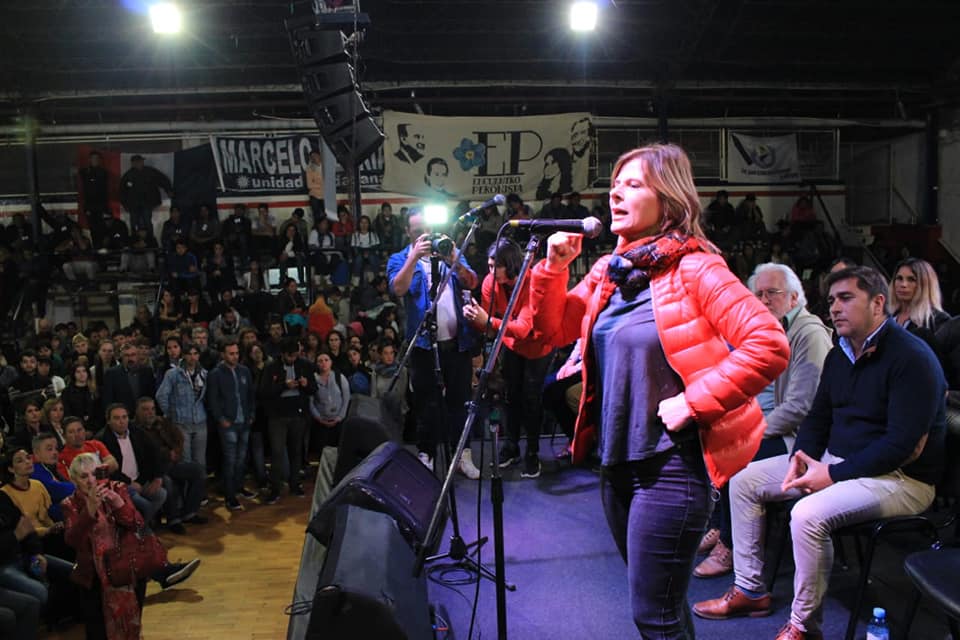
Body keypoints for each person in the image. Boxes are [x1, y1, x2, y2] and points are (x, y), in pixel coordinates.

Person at [528, 143, 789, 638]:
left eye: (633, 184)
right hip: (618, 465)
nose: (615, 192)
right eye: (614, 184)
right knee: (664, 608)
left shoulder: (695, 267)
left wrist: (694, 400)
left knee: (654, 615)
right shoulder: (612, 271)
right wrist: (554, 270)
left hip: (673, 469)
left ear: (667, 199)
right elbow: (549, 332)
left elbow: (769, 345)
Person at [693, 266, 946, 640]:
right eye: (831, 301)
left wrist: (829, 475)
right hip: (840, 462)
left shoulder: (912, 358)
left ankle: (804, 627)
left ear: (878, 303)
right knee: (744, 480)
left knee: (807, 514)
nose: (835, 309)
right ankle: (750, 590)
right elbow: (818, 415)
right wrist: (804, 455)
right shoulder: (840, 353)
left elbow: (901, 447)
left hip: (901, 479)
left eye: (846, 299)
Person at [694, 263, 833, 578]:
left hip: (801, 439)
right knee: (707, 437)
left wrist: (749, 432)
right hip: (768, 425)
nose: (764, 300)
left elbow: (801, 406)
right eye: (758, 293)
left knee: (735, 453)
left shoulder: (808, 333)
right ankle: (719, 524)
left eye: (773, 293)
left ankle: (729, 545)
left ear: (795, 298)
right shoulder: (766, 331)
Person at [63, 453, 200, 640]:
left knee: (131, 626)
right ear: (74, 480)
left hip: (127, 566)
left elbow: (136, 523)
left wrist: (118, 504)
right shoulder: (70, 504)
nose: (91, 480)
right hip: (93, 575)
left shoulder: (117, 489)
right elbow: (72, 539)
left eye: (94, 474)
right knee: (98, 632)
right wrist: (90, 511)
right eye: (84, 476)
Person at [387, 208, 481, 479]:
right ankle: (426, 453)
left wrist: (453, 257)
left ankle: (461, 455)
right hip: (423, 346)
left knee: (461, 402)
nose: (424, 236)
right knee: (426, 404)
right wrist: (414, 257)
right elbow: (398, 289)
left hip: (457, 343)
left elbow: (472, 281)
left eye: (426, 230)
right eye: (417, 232)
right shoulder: (400, 258)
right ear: (408, 233)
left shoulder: (446, 250)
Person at [463, 238, 553, 479]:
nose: (491, 272)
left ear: (510, 264)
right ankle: (511, 447)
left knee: (531, 399)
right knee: (510, 396)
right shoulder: (489, 283)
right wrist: (475, 317)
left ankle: (532, 453)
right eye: (489, 266)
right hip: (512, 344)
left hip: (538, 346)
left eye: (496, 266)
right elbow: (488, 326)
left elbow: (523, 327)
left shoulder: (532, 281)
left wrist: (486, 321)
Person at [258, 338, 316, 503]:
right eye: (290, 356)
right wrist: (284, 385)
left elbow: (313, 389)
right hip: (277, 417)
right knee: (277, 453)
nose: (293, 359)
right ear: (282, 354)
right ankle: (275, 488)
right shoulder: (271, 367)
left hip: (298, 415)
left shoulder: (304, 365)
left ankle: (295, 484)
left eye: (295, 356)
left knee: (296, 451)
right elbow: (264, 392)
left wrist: (305, 384)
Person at [206, 340, 256, 511]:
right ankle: (230, 496)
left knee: (242, 459)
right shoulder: (215, 374)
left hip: (244, 422)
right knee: (230, 460)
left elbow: (250, 394)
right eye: (231, 353)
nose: (235, 356)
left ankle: (239, 487)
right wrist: (221, 419)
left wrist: (251, 414)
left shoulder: (245, 371)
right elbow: (212, 399)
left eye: (236, 353)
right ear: (223, 354)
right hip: (228, 423)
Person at [155, 344, 208, 467]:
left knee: (200, 461)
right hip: (181, 423)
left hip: (200, 422)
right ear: (184, 356)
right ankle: (186, 486)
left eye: (195, 354)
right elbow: (161, 395)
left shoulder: (204, 374)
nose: (192, 357)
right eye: (189, 354)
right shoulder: (173, 374)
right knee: (185, 460)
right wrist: (171, 413)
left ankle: (199, 485)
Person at [888, 257, 951, 355]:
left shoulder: (938, 321)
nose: (903, 284)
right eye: (899, 278)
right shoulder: (887, 317)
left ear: (925, 284)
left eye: (911, 279)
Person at [119, 155, 173, 237]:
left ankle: (150, 242)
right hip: (133, 205)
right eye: (137, 162)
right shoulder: (128, 175)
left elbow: (162, 179)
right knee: (134, 224)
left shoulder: (150, 172)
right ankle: (134, 242)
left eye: (141, 161)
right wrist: (125, 204)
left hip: (147, 203)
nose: (140, 163)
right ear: (132, 163)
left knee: (147, 223)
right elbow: (122, 191)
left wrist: (168, 190)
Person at [306, 151, 325, 223]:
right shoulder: (309, 168)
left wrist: (317, 184)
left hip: (325, 195)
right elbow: (309, 185)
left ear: (319, 156)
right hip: (314, 195)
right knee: (316, 216)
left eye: (315, 156)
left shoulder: (325, 166)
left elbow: (329, 181)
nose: (314, 158)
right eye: (312, 157)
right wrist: (322, 185)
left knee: (327, 215)